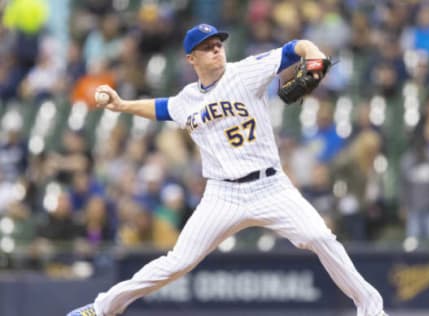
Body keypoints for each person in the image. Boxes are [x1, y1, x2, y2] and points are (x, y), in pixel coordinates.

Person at [68, 23, 386, 316]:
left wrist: (313, 54)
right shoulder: (187, 99)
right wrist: (122, 105)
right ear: (191, 58)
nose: (217, 49)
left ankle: (371, 309)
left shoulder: (245, 72)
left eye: (219, 43)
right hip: (223, 194)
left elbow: (295, 47)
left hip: (271, 186)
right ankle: (102, 308)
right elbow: (162, 108)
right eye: (208, 47)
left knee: (320, 236)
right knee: (177, 262)